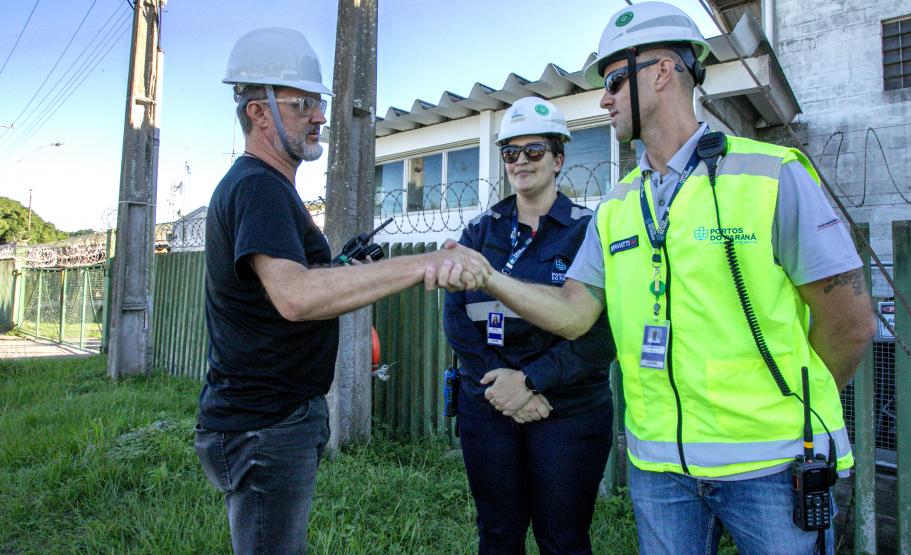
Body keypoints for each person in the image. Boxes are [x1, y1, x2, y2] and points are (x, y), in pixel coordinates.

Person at [431, 3, 875, 553]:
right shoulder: (618, 208)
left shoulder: (771, 175)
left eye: (615, 81)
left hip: (772, 464)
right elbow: (575, 314)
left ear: (662, 72)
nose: (604, 98)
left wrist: (789, 415)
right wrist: (490, 278)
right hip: (660, 469)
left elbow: (850, 324)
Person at [193, 28, 490, 554]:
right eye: (303, 103)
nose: (320, 116)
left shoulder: (266, 186)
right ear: (258, 112)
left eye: (319, 103)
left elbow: (286, 288)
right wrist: (428, 262)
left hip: (267, 417)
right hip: (266, 425)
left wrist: (342, 266)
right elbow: (296, 297)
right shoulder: (259, 185)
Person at [443, 97, 615, 555]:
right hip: (490, 403)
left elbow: (603, 334)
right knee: (498, 535)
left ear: (558, 159)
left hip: (567, 409)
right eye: (511, 153)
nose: (521, 161)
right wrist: (500, 384)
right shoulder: (480, 231)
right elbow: (456, 315)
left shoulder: (589, 231)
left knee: (563, 539)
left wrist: (533, 382)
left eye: (534, 151)